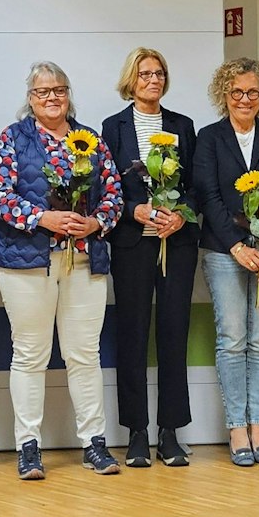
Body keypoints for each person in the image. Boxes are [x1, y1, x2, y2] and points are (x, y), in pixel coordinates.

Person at [0, 62, 125, 480]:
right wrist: (41, 218)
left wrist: (96, 222)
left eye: (59, 90)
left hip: (84, 261)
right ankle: (28, 447)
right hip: (27, 263)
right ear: (30, 98)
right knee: (30, 355)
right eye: (42, 91)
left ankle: (95, 444)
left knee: (85, 354)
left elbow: (114, 194)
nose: (52, 98)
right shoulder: (12, 139)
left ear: (68, 94)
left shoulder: (90, 140)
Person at [192, 58, 259, 467]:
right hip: (223, 251)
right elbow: (207, 196)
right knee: (232, 341)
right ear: (224, 95)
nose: (245, 99)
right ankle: (237, 427)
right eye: (237, 92)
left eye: (253, 92)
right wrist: (236, 246)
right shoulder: (210, 138)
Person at [101, 48, 198, 468]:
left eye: (159, 73)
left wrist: (181, 216)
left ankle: (170, 431)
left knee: (173, 335)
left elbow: (197, 185)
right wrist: (131, 210)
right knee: (133, 336)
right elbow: (104, 189)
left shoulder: (182, 126)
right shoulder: (113, 127)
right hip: (133, 246)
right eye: (145, 74)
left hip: (174, 246)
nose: (153, 80)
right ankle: (137, 432)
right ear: (131, 80)